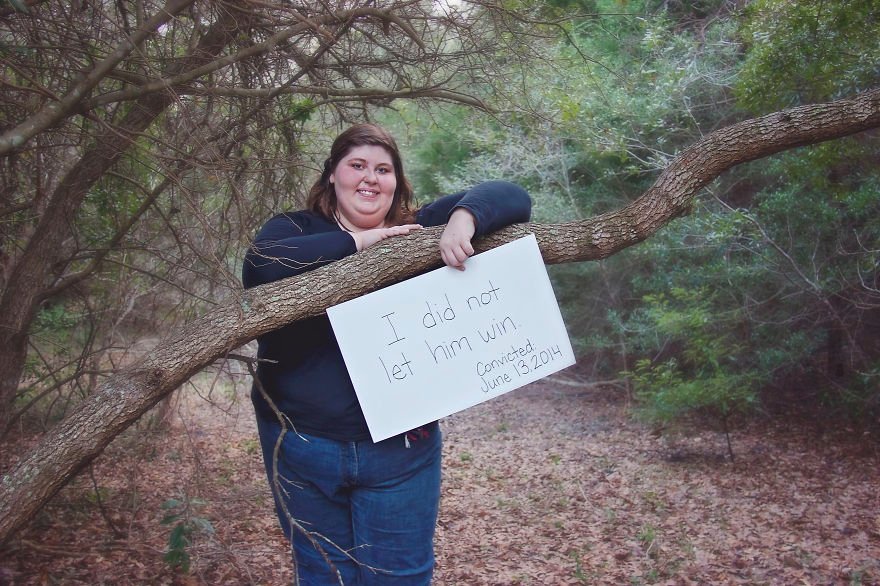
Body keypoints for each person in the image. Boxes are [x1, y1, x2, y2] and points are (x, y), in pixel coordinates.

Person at [242, 123, 531, 585]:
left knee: (401, 577)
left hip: (400, 454)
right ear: (332, 174)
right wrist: (361, 243)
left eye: (383, 169)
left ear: (396, 181)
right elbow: (260, 265)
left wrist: (464, 219)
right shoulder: (295, 229)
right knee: (323, 576)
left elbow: (513, 195)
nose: (370, 178)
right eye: (357, 166)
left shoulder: (415, 229)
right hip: (301, 445)